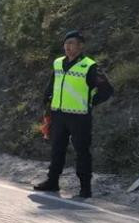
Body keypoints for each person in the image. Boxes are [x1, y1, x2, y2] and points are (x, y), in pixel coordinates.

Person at [34, 31, 113, 199]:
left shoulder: (90, 66)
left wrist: (90, 102)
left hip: (79, 116)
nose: (68, 47)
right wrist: (47, 101)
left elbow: (107, 90)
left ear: (80, 46)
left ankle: (85, 188)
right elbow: (52, 85)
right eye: (66, 43)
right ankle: (52, 181)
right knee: (57, 150)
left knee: (82, 151)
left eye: (72, 43)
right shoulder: (57, 63)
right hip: (58, 115)